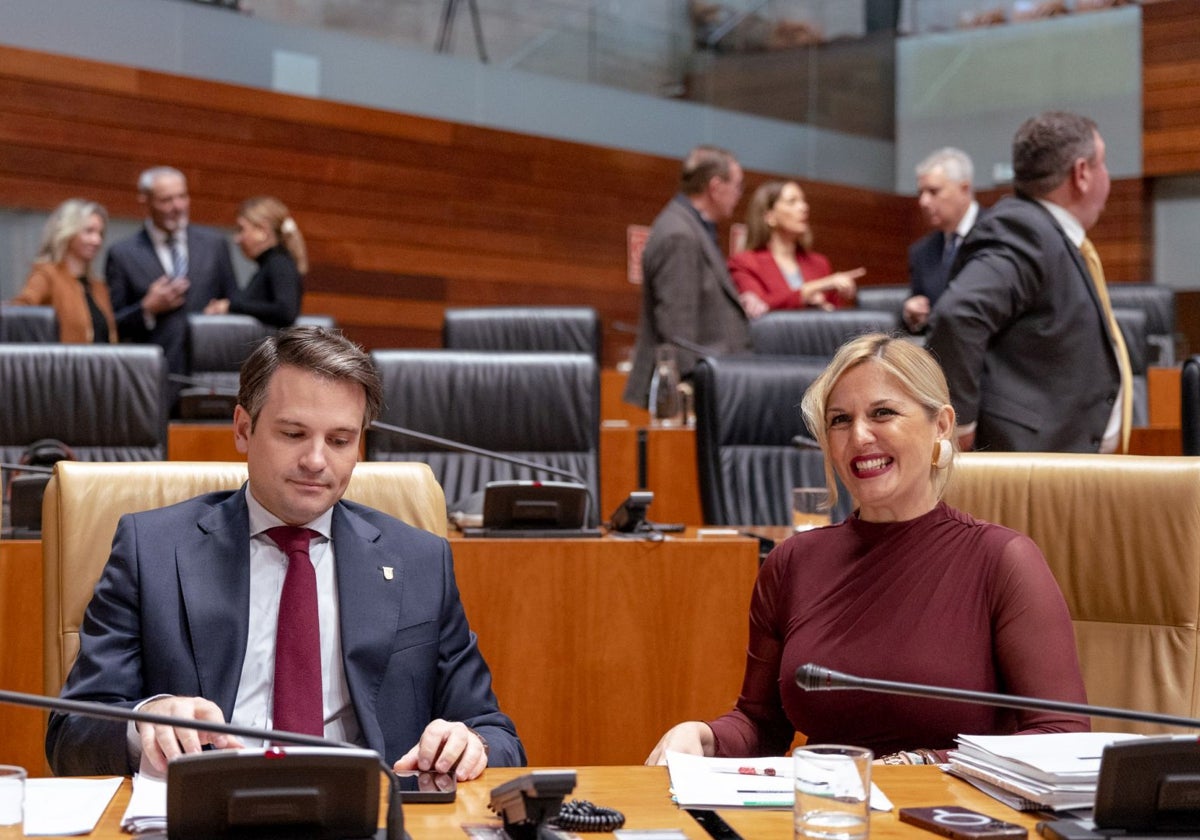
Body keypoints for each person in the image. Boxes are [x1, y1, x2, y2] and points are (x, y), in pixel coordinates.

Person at [46, 325, 525, 778]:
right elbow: (71, 737)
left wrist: (470, 744)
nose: (316, 461)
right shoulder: (151, 550)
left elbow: (496, 733)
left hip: (366, 817)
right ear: (242, 429)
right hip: (208, 813)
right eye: (293, 434)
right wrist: (142, 723)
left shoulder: (420, 560)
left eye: (340, 440)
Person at [646, 333, 1088, 765]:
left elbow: (1060, 734)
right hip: (825, 816)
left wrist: (917, 765)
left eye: (882, 413)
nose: (858, 437)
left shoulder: (1003, 561)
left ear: (942, 425)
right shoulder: (792, 563)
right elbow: (761, 724)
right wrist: (701, 737)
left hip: (955, 819)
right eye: (839, 420)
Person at [927, 112, 1131, 454]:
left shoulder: (1044, 232)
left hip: (1062, 463)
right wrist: (959, 425)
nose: (1107, 176)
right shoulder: (1024, 232)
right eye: (1103, 164)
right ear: (1081, 174)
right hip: (1029, 469)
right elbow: (958, 314)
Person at [623, 145, 752, 408]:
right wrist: (694, 398)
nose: (739, 196)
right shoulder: (680, 235)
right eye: (737, 186)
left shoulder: (691, 227)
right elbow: (678, 333)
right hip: (686, 396)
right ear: (715, 187)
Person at [105, 166, 238, 403]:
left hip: (210, 378)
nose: (177, 206)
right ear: (145, 201)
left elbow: (234, 301)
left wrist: (223, 309)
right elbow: (112, 326)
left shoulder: (215, 244)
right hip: (154, 382)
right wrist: (147, 309)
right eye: (166, 200)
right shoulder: (122, 254)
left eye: (182, 197)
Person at [728, 180, 864, 318]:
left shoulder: (819, 263)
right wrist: (809, 291)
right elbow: (757, 306)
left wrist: (837, 298)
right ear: (770, 216)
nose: (804, 207)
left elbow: (834, 317)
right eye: (792, 201)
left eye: (803, 201)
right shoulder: (744, 262)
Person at [9, 198, 117, 343]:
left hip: (101, 365)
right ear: (68, 231)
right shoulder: (47, 275)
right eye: (89, 231)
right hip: (61, 365)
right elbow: (17, 314)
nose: (96, 240)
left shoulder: (99, 287)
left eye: (100, 233)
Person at [903, 148, 979, 334]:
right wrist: (912, 316)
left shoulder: (1001, 235)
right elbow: (919, 322)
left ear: (964, 189)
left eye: (933, 191)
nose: (923, 201)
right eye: (921, 192)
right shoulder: (921, 252)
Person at [205, 196, 305, 328]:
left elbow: (286, 311)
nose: (237, 239)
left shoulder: (279, 263)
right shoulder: (270, 263)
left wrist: (230, 306)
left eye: (241, 229)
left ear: (262, 231)